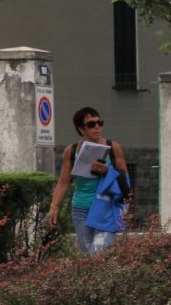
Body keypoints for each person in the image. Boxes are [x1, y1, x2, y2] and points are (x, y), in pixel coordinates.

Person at [49, 106, 129, 254]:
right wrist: (54, 207)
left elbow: (125, 178)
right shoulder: (71, 151)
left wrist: (108, 171)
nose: (97, 127)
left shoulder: (113, 147)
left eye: (100, 123)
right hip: (81, 210)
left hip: (106, 209)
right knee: (87, 256)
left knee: (98, 253)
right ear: (81, 129)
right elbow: (63, 182)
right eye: (91, 124)